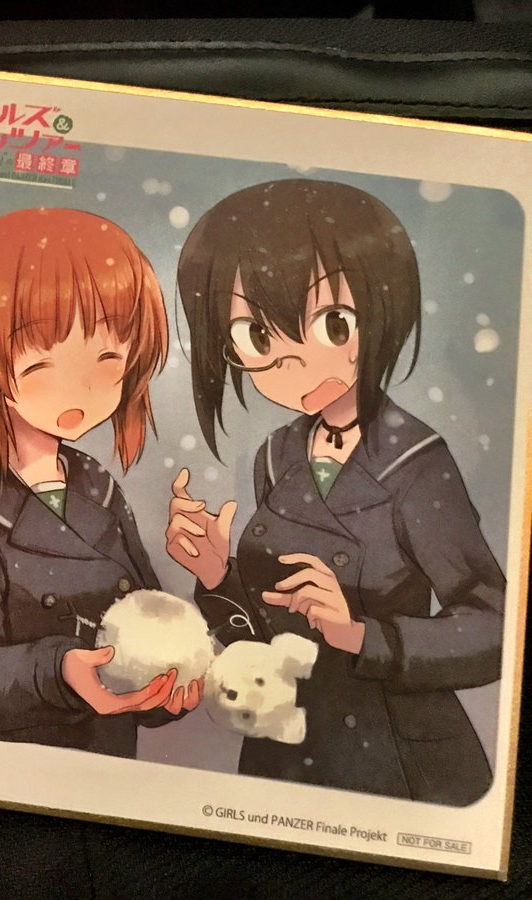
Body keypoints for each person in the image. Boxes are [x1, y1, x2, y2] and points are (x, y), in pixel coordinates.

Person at [167, 178, 504, 804]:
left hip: (393, 753)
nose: (296, 362)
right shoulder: (277, 455)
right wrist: (216, 574)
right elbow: (262, 641)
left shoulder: (414, 461)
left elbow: (495, 628)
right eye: (257, 337)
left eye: (331, 323)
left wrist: (360, 634)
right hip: (285, 741)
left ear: (380, 310)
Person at [0, 207, 202, 759]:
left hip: (112, 761)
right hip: (16, 768)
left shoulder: (98, 486)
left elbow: (145, 614)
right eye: (41, 364)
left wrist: (167, 685)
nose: (81, 389)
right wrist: (59, 671)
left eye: (108, 357)